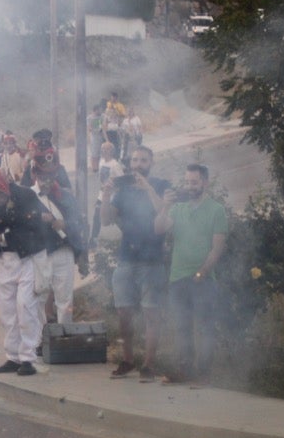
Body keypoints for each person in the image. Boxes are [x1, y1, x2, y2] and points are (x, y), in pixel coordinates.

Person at [99, 145, 172, 381]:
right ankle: (128, 360)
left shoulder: (161, 184)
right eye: (135, 160)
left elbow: (164, 211)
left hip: (152, 260)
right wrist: (106, 194)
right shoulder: (123, 190)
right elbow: (106, 220)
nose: (138, 165)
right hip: (126, 258)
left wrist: (147, 187)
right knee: (124, 312)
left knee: (152, 313)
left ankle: (148, 365)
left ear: (151, 163)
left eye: (143, 160)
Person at [154, 164, 228, 386]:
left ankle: (204, 374)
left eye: (194, 182)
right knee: (182, 327)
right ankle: (184, 370)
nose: (189, 186)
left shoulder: (216, 210)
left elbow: (218, 248)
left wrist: (202, 272)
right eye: (187, 182)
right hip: (178, 278)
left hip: (203, 279)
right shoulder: (178, 209)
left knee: (205, 327)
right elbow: (159, 229)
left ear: (205, 182)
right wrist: (165, 207)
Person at [0, 168, 49, 376]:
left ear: (1, 189)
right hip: (5, 259)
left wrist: (4, 238)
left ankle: (28, 357)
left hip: (28, 258)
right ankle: (13, 356)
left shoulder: (26, 196)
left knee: (25, 307)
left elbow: (33, 225)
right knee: (8, 311)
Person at [31, 150, 87, 326]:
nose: (47, 179)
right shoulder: (28, 196)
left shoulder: (66, 196)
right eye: (43, 175)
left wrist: (65, 224)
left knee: (65, 300)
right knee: (38, 297)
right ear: (36, 173)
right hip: (40, 252)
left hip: (63, 250)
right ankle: (40, 336)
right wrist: (37, 218)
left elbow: (79, 222)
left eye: (51, 175)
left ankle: (64, 333)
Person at [89, 140, 125, 247]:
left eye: (106, 149)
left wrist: (113, 186)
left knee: (116, 218)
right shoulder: (101, 162)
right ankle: (93, 239)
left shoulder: (115, 165)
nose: (103, 151)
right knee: (97, 216)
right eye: (102, 149)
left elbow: (122, 180)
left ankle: (128, 233)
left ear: (111, 151)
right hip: (102, 195)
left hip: (112, 196)